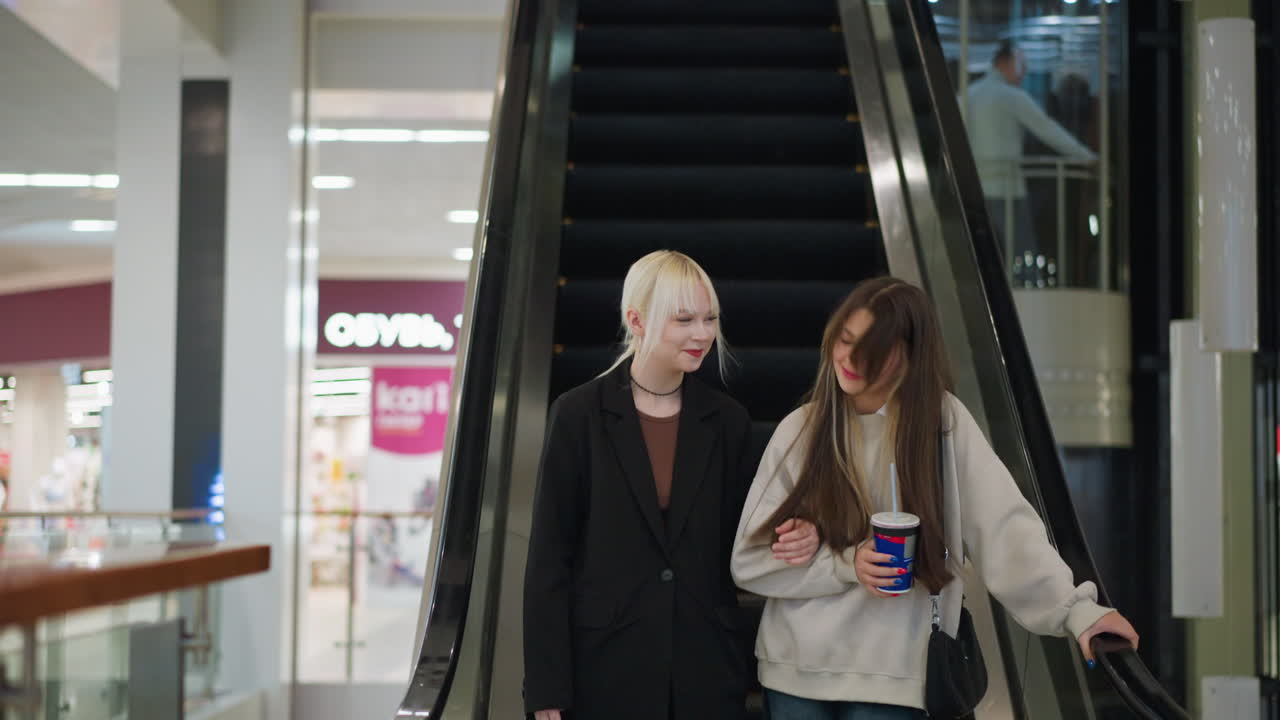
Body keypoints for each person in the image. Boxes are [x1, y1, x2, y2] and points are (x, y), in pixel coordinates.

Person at [731, 277, 1139, 719]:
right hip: (795, 671)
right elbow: (749, 562)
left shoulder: (941, 425)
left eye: (874, 349)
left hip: (897, 676)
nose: (849, 359)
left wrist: (1077, 612)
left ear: (909, 359)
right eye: (845, 340)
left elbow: (1005, 529)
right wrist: (847, 564)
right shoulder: (802, 429)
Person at [523, 250, 818, 720]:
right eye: (684, 319)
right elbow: (549, 560)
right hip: (604, 671)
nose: (702, 334)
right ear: (636, 320)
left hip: (704, 671)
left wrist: (796, 530)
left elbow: (749, 531)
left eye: (710, 319)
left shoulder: (727, 420)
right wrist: (546, 693)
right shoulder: (579, 415)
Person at [964, 41, 1098, 272]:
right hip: (1008, 189)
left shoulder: (968, 95)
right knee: (1023, 254)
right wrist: (1087, 157)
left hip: (975, 189)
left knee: (982, 254)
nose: (1024, 72)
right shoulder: (1011, 96)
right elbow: (1047, 130)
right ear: (1006, 63)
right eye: (1021, 65)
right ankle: (1028, 292)